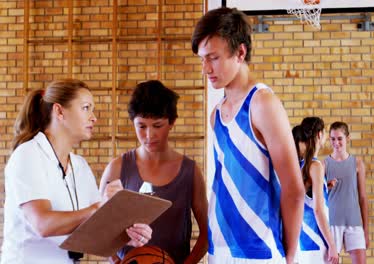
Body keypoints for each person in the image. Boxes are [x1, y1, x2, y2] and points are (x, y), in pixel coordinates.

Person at [192, 7, 305, 264]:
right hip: (219, 248)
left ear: (240, 52)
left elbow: (294, 189)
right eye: (202, 59)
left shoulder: (262, 104)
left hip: (260, 252)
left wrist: (290, 256)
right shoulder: (216, 115)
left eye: (213, 58)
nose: (206, 68)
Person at [1, 79, 150, 264]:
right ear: (59, 111)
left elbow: (95, 230)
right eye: (86, 108)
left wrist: (127, 234)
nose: (94, 117)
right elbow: (43, 224)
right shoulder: (28, 154)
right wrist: (99, 207)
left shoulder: (80, 166)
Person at [99, 80, 208, 264]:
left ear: (172, 122)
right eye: (141, 126)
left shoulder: (191, 172)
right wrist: (117, 262)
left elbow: (207, 232)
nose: (149, 136)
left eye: (157, 126)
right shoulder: (116, 168)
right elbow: (100, 229)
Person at [294, 117, 339, 264]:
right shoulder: (316, 166)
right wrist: (332, 244)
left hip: (303, 243)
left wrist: (326, 188)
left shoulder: (300, 166)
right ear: (319, 135)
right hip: (317, 241)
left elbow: (304, 197)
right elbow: (318, 210)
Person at [323, 121, 369, 263]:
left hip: (354, 221)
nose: (336, 142)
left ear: (347, 138)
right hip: (332, 221)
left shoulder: (357, 163)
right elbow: (317, 195)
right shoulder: (324, 164)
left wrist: (366, 230)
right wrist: (327, 187)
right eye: (333, 139)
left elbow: (362, 197)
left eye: (340, 138)